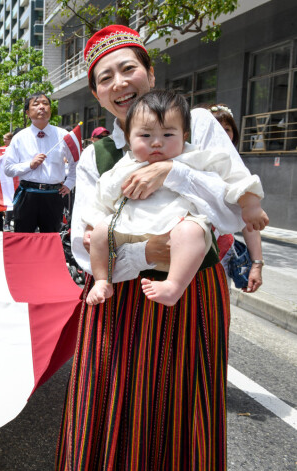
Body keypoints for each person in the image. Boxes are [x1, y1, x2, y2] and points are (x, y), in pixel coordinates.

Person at [56, 25, 268, 470]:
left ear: (150, 74)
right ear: (96, 93)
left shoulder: (200, 123)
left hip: (192, 293)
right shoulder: (97, 157)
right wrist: (148, 254)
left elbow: (233, 212)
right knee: (111, 407)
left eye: (128, 68)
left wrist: (172, 173)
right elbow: (82, 243)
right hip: (120, 297)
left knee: (184, 408)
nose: (120, 83)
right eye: (105, 77)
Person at [84, 90, 265, 306]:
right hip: (131, 229)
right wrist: (91, 225)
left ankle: (173, 286)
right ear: (129, 138)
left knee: (190, 231)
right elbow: (102, 195)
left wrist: (250, 204)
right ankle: (102, 280)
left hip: (179, 228)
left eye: (168, 135)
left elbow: (235, 177)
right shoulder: (126, 165)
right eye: (145, 136)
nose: (157, 143)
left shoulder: (195, 156)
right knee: (100, 232)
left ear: (184, 136)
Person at [208, 103, 264, 292]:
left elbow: (250, 222)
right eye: (216, 129)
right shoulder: (185, 162)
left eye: (227, 129)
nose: (222, 134)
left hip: (220, 257)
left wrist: (256, 264)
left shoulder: (240, 172)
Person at [2, 93, 76, 233]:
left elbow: (75, 161)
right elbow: (8, 169)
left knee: (50, 239)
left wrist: (70, 183)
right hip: (27, 195)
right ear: (27, 113)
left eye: (45, 103)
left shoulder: (63, 135)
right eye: (36, 104)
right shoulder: (19, 138)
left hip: (53, 195)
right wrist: (29, 165)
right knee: (23, 239)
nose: (41, 107)